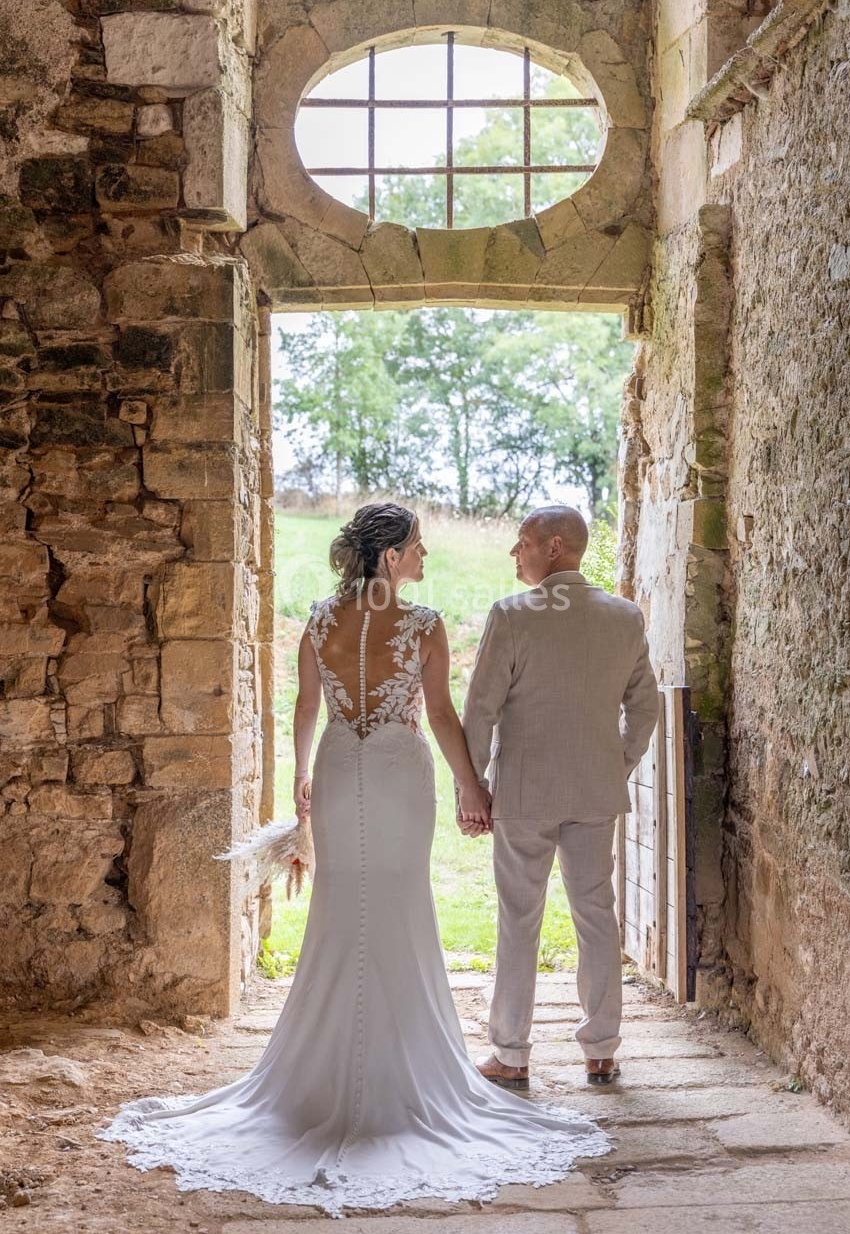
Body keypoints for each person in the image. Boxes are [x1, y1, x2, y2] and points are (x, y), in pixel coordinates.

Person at [99, 503, 610, 1216]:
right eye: (419, 548)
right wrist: (474, 784)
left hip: (341, 769)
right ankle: (408, 1078)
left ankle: (323, 1075)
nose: (427, 558)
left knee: (342, 913)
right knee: (400, 910)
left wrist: (302, 781)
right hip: (400, 775)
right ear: (392, 556)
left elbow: (307, 706)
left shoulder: (317, 619)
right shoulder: (423, 625)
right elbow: (437, 716)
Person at [462, 505, 659, 1090]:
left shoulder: (513, 615)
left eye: (521, 541)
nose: (513, 552)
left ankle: (512, 1054)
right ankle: (601, 1051)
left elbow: (480, 712)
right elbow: (644, 707)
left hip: (524, 793)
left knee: (519, 919)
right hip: (595, 791)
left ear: (552, 546)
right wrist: (615, 764)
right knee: (596, 915)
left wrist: (472, 788)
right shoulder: (624, 617)